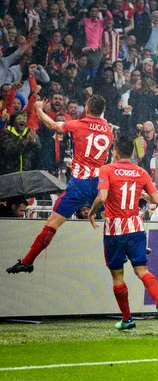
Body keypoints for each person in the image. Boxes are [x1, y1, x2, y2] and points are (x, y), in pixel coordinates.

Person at [7, 95, 113, 275]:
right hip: (98, 184)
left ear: (87, 108)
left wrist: (39, 109)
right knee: (116, 216)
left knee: (52, 224)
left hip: (79, 185)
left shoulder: (79, 124)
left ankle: (28, 261)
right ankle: (134, 246)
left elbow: (52, 126)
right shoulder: (108, 131)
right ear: (102, 111)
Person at [88, 136, 158, 331]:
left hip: (114, 230)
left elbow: (102, 197)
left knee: (117, 276)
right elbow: (157, 199)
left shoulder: (106, 169)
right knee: (142, 271)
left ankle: (127, 319)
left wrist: (91, 212)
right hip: (136, 228)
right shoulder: (141, 172)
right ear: (132, 154)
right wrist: (140, 194)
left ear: (114, 152)